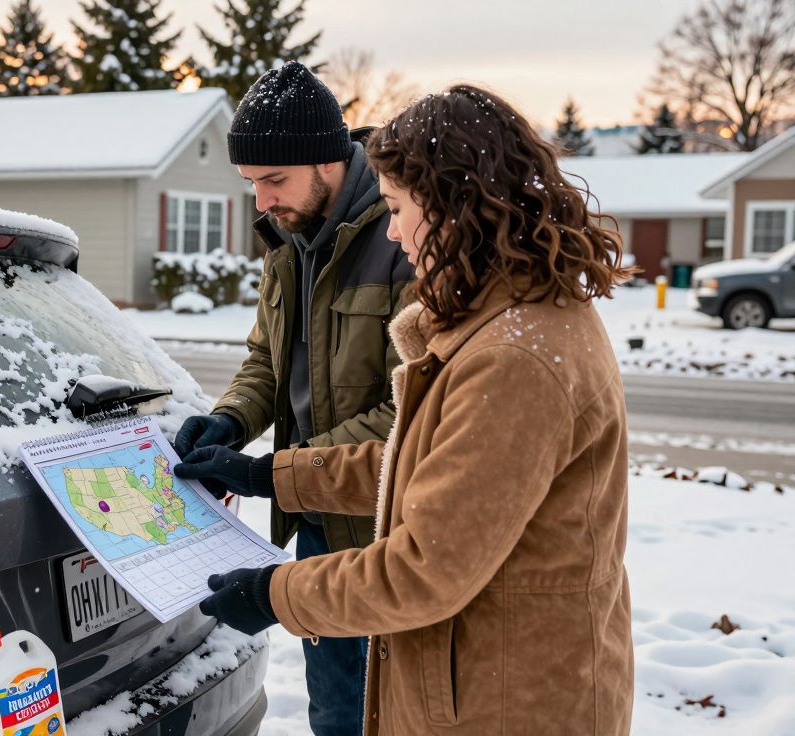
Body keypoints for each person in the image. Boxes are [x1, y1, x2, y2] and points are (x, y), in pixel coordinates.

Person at [176, 84, 636, 735]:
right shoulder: (509, 318)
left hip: (510, 696)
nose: (392, 230)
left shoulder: (514, 356)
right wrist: (266, 474)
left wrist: (273, 594)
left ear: (453, 205)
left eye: (397, 208)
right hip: (477, 670)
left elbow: (426, 565)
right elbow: (424, 460)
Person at [171, 61, 413, 736]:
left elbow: (413, 409)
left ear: (327, 161)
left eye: (273, 179)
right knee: (333, 711)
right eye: (251, 182)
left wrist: (269, 474)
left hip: (388, 529)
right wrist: (229, 419)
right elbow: (267, 362)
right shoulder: (285, 241)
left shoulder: (402, 238)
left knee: (390, 712)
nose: (261, 201)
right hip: (316, 518)